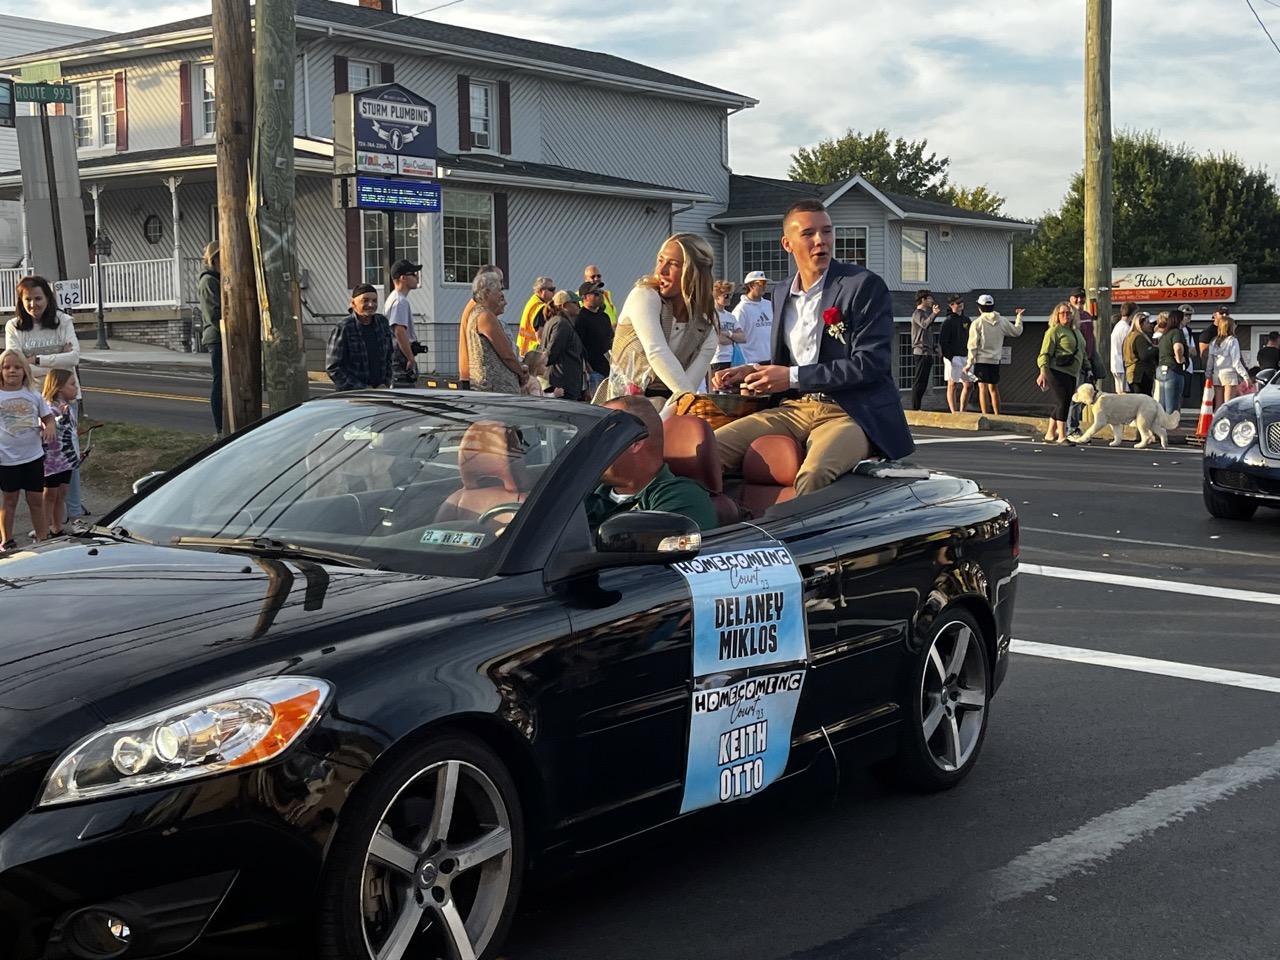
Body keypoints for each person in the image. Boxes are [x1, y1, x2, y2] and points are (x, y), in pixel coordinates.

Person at [710, 200, 914, 494]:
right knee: (707, 452)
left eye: (827, 232)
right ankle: (716, 535)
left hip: (849, 412)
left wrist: (790, 377)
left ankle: (797, 540)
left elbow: (871, 365)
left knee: (814, 474)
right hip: (794, 408)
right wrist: (752, 370)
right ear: (787, 243)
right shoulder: (780, 292)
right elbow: (796, 359)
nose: (821, 241)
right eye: (808, 233)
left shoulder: (863, 285)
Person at [594, 233, 719, 414]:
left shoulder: (707, 325)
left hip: (666, 411)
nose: (661, 270)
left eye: (674, 264)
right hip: (621, 410)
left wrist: (662, 426)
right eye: (660, 261)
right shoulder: (644, 295)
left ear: (695, 272)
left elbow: (687, 387)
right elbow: (656, 352)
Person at [6, 274, 85, 520]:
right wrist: (55, 358)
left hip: (64, 398)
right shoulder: (14, 327)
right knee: (44, 460)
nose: (33, 304)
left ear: (47, 298)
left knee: (68, 455)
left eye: (38, 298)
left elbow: (73, 358)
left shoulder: (63, 321)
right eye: (28, 299)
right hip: (33, 401)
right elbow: (18, 365)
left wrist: (36, 360)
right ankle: (48, 522)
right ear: (21, 301)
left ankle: (74, 513)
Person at [584, 395, 718, 532]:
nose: (590, 445)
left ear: (634, 442)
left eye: (601, 435)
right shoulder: (584, 492)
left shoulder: (682, 496)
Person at [0, 349, 55, 551]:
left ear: (25, 370)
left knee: (35, 499)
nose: (12, 371)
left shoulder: (33, 394)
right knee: (9, 500)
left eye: (17, 367)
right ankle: (6, 541)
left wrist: (49, 426)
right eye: (6, 367)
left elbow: (48, 417)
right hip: (6, 459)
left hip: (32, 456)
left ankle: (42, 537)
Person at [465, 271, 526, 394]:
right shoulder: (485, 316)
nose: (501, 295)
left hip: (487, 385)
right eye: (499, 290)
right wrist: (521, 373)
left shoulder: (476, 313)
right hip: (496, 387)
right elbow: (507, 354)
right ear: (487, 292)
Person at [326, 284, 394, 392]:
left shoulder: (382, 323)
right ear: (353, 303)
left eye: (374, 300)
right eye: (365, 300)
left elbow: (389, 356)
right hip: (353, 396)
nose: (371, 304)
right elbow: (333, 368)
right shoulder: (344, 327)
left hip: (381, 392)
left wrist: (386, 382)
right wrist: (363, 389)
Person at [964, 294, 1024, 416]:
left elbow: (973, 345)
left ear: (979, 308)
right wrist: (1019, 317)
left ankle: (986, 416)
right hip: (995, 360)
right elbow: (1017, 331)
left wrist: (969, 363)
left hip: (981, 360)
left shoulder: (977, 323)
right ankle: (998, 415)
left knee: (982, 389)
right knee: (994, 388)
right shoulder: (1002, 321)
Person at [1037, 302, 1086, 444]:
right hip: (1057, 370)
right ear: (1057, 315)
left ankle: (1050, 433)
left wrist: (1088, 368)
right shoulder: (1054, 331)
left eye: (1068, 313)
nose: (1066, 316)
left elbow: (1082, 352)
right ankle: (1062, 435)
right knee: (1063, 401)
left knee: (1063, 401)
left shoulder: (1076, 331)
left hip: (1072, 372)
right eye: (1062, 313)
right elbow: (1044, 354)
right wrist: (1042, 372)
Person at [40, 369, 79, 538]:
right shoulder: (48, 408)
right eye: (72, 384)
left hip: (66, 459)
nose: (76, 388)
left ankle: (57, 527)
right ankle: (43, 528)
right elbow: (47, 431)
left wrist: (77, 454)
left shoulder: (68, 408)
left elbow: (71, 433)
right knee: (50, 495)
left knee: (61, 493)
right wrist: (60, 418)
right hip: (51, 461)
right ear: (59, 387)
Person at [456, 264, 502, 385]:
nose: (501, 287)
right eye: (498, 282)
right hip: (476, 376)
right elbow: (503, 349)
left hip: (471, 374)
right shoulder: (480, 311)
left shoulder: (476, 306)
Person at [384, 259, 425, 388]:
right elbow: (399, 331)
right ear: (403, 278)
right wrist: (410, 357)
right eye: (413, 274)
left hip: (393, 355)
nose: (417, 277)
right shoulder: (400, 302)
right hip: (399, 357)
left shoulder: (392, 298)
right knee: (404, 395)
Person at [542, 289, 588, 401]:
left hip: (564, 384)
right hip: (562, 386)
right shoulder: (561, 324)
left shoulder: (560, 322)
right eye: (575, 303)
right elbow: (551, 353)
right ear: (564, 305)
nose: (579, 306)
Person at [196, 242, 223, 434]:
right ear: (214, 260)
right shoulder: (209, 281)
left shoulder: (219, 279)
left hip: (223, 337)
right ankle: (219, 425)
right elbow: (214, 313)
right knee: (219, 381)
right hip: (217, 337)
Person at [1207, 312, 1252, 407]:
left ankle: (1216, 421)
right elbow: (1236, 362)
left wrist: (1208, 374)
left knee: (1218, 406)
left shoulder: (1213, 342)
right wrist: (1246, 377)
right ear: (1230, 327)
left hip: (1217, 374)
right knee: (1228, 405)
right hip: (1229, 375)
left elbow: (1210, 361)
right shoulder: (1232, 340)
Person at [575, 282, 613, 392]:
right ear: (585, 297)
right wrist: (587, 368)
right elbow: (579, 346)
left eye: (601, 292)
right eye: (596, 293)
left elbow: (611, 340)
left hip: (609, 370)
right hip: (593, 372)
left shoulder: (604, 317)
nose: (600, 296)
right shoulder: (581, 318)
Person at [938, 294, 972, 414]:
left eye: (961, 302)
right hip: (953, 357)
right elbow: (943, 341)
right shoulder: (948, 321)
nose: (960, 304)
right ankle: (953, 412)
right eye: (957, 303)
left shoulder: (966, 320)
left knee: (968, 385)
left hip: (966, 356)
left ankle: (963, 411)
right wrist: (949, 357)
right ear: (951, 305)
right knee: (952, 384)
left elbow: (971, 338)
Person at [732, 270, 774, 365]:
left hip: (770, 359)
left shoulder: (769, 305)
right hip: (751, 362)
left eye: (765, 283)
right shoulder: (741, 309)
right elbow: (737, 336)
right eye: (761, 283)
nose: (764, 286)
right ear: (750, 286)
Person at [909, 289, 942, 411]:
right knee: (919, 382)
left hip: (928, 353)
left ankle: (918, 408)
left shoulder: (925, 315)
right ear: (923, 299)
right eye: (929, 298)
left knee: (924, 383)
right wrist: (934, 314)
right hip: (921, 352)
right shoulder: (917, 313)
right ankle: (915, 409)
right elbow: (924, 324)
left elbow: (927, 334)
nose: (932, 300)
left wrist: (935, 348)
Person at [710, 279, 746, 374]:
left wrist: (728, 334)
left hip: (733, 359)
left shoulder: (731, 316)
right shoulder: (711, 315)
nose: (729, 298)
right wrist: (734, 338)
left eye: (730, 295)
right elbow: (719, 339)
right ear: (717, 297)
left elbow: (743, 338)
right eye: (726, 296)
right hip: (718, 360)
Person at [1154, 311, 1186, 416]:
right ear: (1179, 320)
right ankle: (1171, 428)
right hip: (1173, 369)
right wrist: (1180, 359)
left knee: (1162, 402)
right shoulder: (1177, 332)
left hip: (1161, 369)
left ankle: (1161, 427)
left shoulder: (1165, 334)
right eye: (1184, 317)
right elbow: (1177, 347)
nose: (1185, 319)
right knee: (1173, 403)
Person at [516, 276, 556, 355]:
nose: (554, 292)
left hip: (524, 349)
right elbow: (540, 336)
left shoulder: (533, 301)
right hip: (534, 352)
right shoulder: (541, 308)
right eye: (551, 290)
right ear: (541, 291)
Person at [1123, 312, 1157, 397]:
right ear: (1140, 324)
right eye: (1147, 323)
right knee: (1143, 402)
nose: (1150, 325)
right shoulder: (1139, 337)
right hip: (1140, 375)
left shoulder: (1129, 336)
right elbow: (1144, 355)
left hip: (1131, 373)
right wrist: (1156, 349)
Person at [1110, 301, 1134, 394]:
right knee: (1123, 394)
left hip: (1116, 363)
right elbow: (1127, 348)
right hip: (1121, 364)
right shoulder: (1125, 328)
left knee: (1119, 392)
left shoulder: (1119, 325)